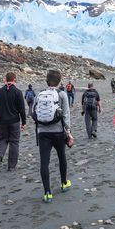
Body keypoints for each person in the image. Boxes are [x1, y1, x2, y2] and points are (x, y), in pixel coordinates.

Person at [32, 70, 72, 203]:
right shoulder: (62, 94)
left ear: (47, 81)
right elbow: (66, 115)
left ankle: (47, 193)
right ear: (59, 81)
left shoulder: (40, 95)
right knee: (62, 157)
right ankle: (64, 183)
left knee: (44, 163)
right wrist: (68, 132)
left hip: (43, 133)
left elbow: (33, 113)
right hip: (58, 132)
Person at [0, 72, 26, 172]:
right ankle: (11, 166)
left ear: (5, 80)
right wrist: (24, 122)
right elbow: (22, 109)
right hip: (14, 121)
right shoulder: (18, 92)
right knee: (14, 142)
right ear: (14, 79)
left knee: (3, 140)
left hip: (2, 121)